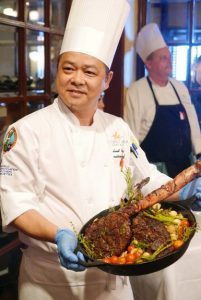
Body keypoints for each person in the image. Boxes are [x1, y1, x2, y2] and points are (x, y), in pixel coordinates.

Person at [0, 3, 201, 300]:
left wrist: (185, 189)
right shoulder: (25, 132)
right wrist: (58, 234)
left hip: (114, 280)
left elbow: (148, 179)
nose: (77, 79)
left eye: (89, 71)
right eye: (68, 68)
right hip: (49, 280)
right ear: (58, 71)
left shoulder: (117, 128)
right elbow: (15, 203)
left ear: (106, 81)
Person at [124, 23, 201, 178]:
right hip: (154, 172)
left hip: (185, 169)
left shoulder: (179, 87)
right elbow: (130, 136)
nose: (169, 61)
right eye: (163, 58)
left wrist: (199, 153)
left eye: (169, 57)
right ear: (149, 64)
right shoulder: (136, 91)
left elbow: (192, 122)